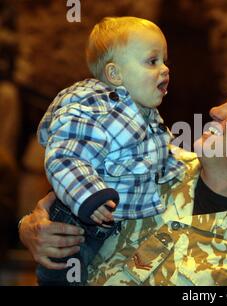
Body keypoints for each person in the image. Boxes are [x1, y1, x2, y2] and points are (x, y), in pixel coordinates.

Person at [19, 72, 227, 285]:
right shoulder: (146, 157)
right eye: (226, 101)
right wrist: (31, 229)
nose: (216, 110)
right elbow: (59, 199)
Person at [35, 16, 184, 285]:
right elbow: (65, 157)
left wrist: (176, 169)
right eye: (153, 61)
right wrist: (89, 196)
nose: (165, 69)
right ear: (115, 74)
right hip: (76, 222)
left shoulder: (146, 113)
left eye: (165, 60)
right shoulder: (91, 109)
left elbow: (159, 152)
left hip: (111, 224)